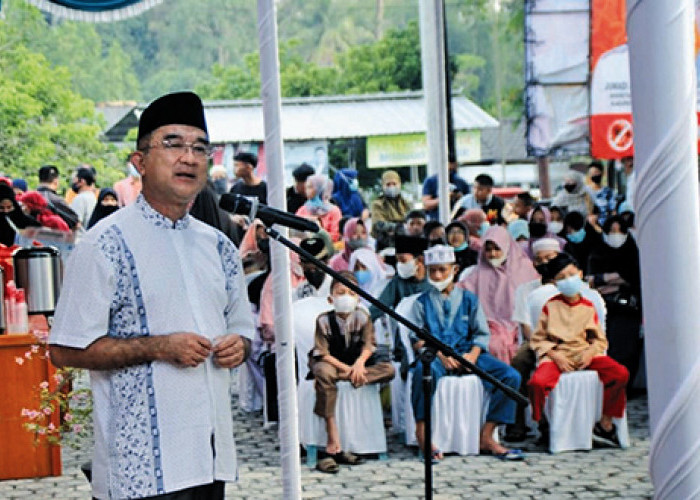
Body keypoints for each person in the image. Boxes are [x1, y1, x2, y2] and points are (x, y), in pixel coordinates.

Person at [48, 91, 255, 500]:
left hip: (208, 457)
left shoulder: (218, 245)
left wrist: (240, 345)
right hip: (139, 467)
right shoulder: (104, 243)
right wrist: (158, 347)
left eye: (200, 148)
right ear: (139, 161)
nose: (189, 157)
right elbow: (65, 349)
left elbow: (240, 323)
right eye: (173, 144)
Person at [407, 245, 523, 461]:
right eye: (432, 270)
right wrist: (440, 355)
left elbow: (481, 333)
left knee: (510, 377)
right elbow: (416, 339)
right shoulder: (421, 303)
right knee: (422, 374)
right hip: (436, 355)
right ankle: (423, 433)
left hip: (468, 352)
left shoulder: (470, 300)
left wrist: (472, 355)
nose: (437, 275)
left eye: (442, 270)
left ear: (455, 269)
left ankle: (487, 436)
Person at [528, 253, 629, 448]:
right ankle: (543, 423)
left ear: (580, 274)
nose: (567, 281)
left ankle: (606, 423)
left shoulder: (588, 306)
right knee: (537, 383)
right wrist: (555, 355)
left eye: (571, 275)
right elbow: (538, 339)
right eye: (561, 278)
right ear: (554, 283)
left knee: (620, 374)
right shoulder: (550, 306)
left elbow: (599, 339)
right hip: (558, 354)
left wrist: (590, 353)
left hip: (583, 352)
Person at [309, 271, 395, 473]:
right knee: (322, 370)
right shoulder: (323, 320)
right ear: (331, 298)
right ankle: (332, 437)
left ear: (357, 297)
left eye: (351, 293)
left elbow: (369, 346)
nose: (346, 297)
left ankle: (341, 379)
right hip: (332, 364)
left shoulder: (363, 317)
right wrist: (347, 370)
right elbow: (322, 353)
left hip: (356, 366)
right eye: (341, 292)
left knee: (388, 369)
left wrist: (358, 365)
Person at [460, 226, 539, 363]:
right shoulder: (478, 272)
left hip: (521, 325)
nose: (493, 254)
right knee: (494, 344)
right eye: (488, 250)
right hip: (490, 326)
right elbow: (461, 290)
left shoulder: (525, 268)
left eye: (497, 248)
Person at [587, 215, 643, 389]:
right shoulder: (596, 251)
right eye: (611, 231)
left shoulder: (632, 252)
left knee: (627, 350)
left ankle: (625, 387)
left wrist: (603, 280)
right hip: (604, 310)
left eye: (619, 231)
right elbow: (590, 280)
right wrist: (615, 280)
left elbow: (632, 277)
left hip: (628, 310)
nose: (615, 235)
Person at [229, 151, 266, 241]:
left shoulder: (265, 189)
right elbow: (228, 212)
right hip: (239, 237)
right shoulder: (235, 188)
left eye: (237, 165)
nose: (234, 169)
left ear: (248, 167)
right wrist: (234, 218)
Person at [296, 174, 342, 242]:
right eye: (306, 187)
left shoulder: (334, 211)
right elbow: (295, 230)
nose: (306, 191)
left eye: (310, 187)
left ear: (320, 188)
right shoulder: (303, 210)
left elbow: (336, 235)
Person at [36, 164, 79, 230]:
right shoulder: (55, 200)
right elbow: (74, 221)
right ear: (56, 181)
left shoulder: (27, 197)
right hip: (51, 238)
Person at [371, 170, 411, 237]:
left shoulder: (406, 203)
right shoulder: (378, 204)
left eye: (394, 184)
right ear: (383, 186)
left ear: (399, 184)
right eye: (388, 184)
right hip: (385, 241)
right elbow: (379, 224)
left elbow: (412, 221)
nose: (391, 187)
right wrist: (400, 227)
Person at [294, 235, 334, 300]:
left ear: (326, 262)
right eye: (308, 269)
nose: (312, 272)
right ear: (301, 265)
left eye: (316, 268)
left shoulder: (336, 288)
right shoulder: (299, 292)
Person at [562, 211, 601, 275]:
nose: (572, 233)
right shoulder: (566, 246)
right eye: (568, 231)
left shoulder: (595, 241)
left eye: (575, 229)